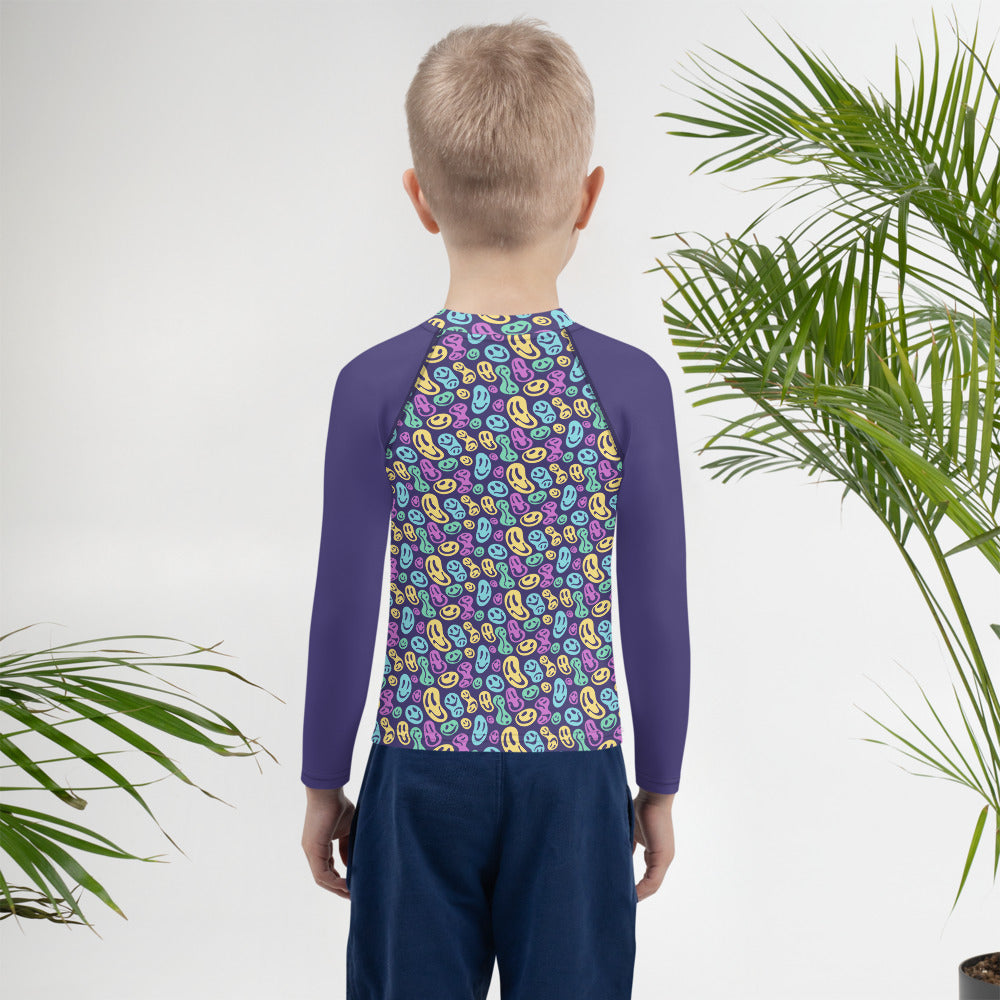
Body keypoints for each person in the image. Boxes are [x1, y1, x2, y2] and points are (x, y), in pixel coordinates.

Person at [300, 15, 690, 1000]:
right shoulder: (628, 387)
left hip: (420, 769)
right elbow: (655, 609)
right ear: (588, 196)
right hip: (575, 771)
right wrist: (659, 783)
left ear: (419, 199)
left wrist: (320, 779)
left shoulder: (377, 385)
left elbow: (343, 604)